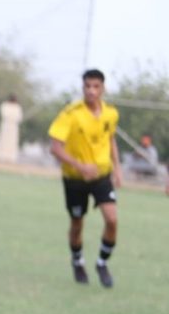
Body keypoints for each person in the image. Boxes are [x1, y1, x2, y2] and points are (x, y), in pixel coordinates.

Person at [48, 69, 122, 288]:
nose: (91, 91)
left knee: (112, 220)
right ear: (82, 87)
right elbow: (55, 148)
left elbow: (110, 139)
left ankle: (102, 263)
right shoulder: (70, 114)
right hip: (75, 178)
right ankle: (77, 261)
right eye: (87, 86)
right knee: (77, 223)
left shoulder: (111, 113)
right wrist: (80, 166)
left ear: (103, 88)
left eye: (96, 86)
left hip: (101, 176)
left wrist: (117, 168)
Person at [0, 93, 23, 163]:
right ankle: (2, 156)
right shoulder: (5, 105)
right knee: (4, 140)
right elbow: (4, 115)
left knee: (12, 141)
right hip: (6, 126)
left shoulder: (17, 107)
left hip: (14, 127)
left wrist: (14, 119)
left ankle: (11, 157)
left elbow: (19, 117)